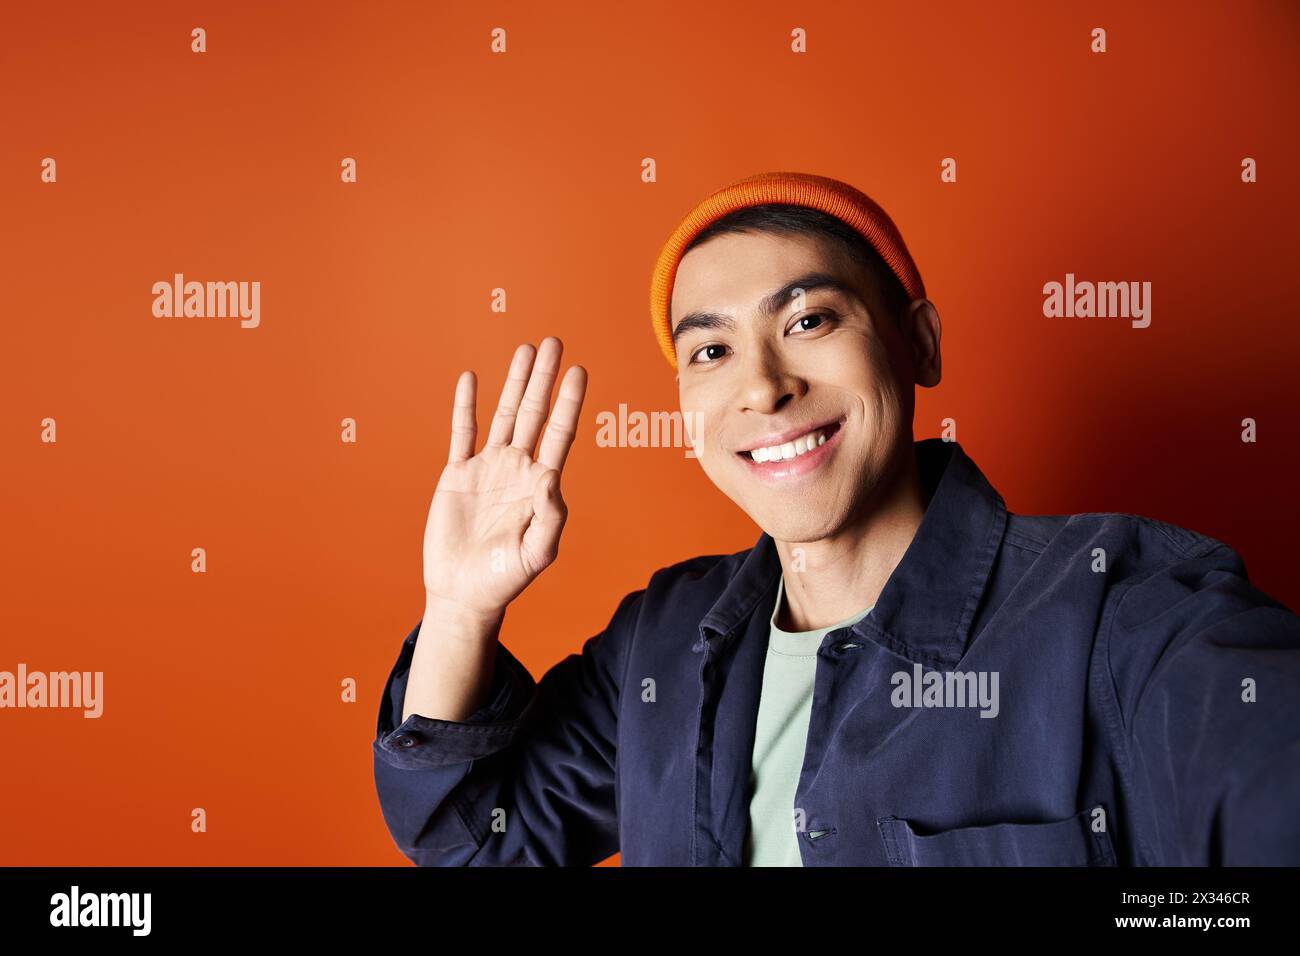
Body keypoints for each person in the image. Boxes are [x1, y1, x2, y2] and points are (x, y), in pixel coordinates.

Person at [372, 171, 1300, 866]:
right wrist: (459, 608)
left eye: (809, 320)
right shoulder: (659, 646)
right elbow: (472, 841)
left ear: (919, 342)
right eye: (712, 350)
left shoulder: (1127, 614)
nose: (765, 387)